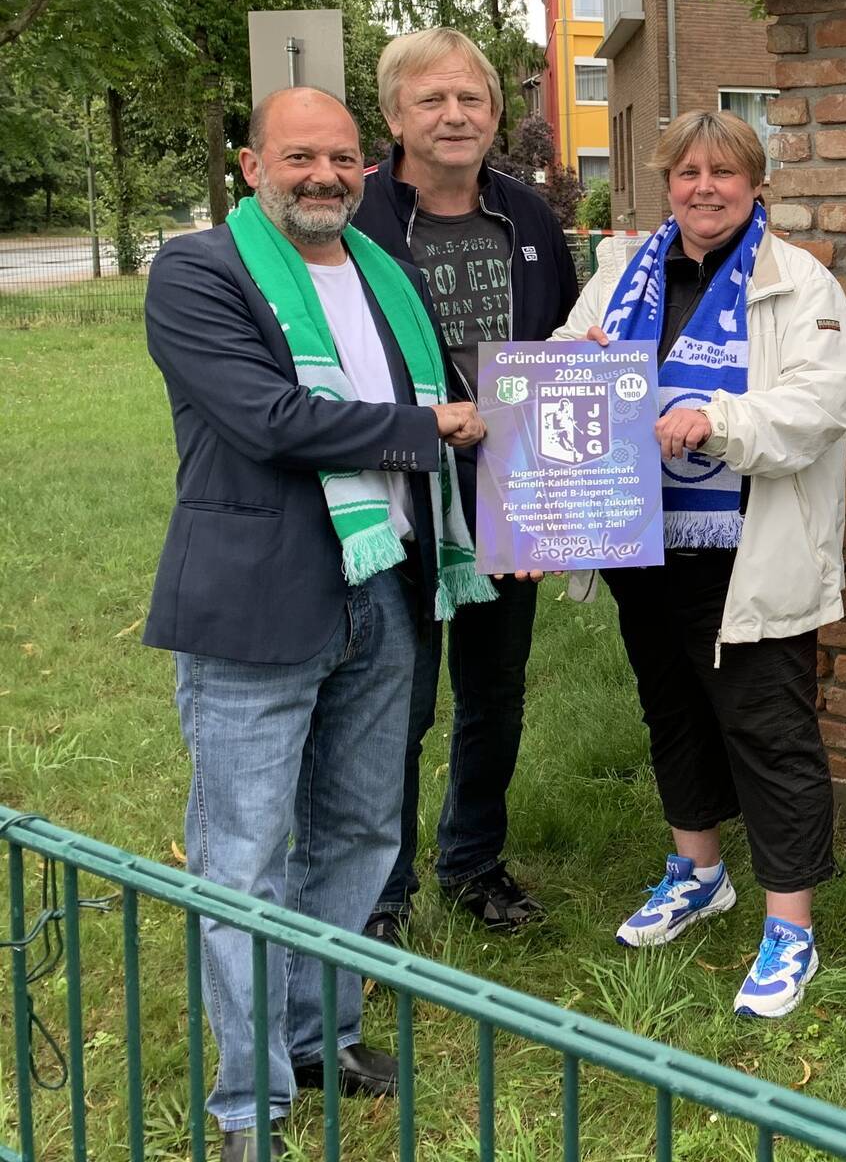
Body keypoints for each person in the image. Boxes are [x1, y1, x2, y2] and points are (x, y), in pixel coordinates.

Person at [143, 88, 490, 1161]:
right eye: (300, 158)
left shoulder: (387, 277)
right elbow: (268, 420)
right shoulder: (199, 271)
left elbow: (456, 398)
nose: (324, 177)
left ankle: (319, 1039)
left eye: (342, 158)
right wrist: (427, 428)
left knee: (356, 833)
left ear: (365, 169)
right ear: (253, 166)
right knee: (243, 854)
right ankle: (249, 1110)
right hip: (258, 599)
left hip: (382, 581)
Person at [556, 108, 846, 1018]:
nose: (704, 188)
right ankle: (698, 873)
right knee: (673, 710)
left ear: (755, 182)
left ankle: (790, 926)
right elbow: (568, 359)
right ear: (666, 183)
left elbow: (819, 404)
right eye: (687, 172)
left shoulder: (796, 281)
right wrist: (582, 360)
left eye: (724, 172)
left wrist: (718, 422)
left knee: (769, 729)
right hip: (640, 538)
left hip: (747, 545)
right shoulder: (621, 272)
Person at [352, 27, 580, 940]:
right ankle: (381, 891)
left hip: (506, 493)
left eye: (472, 99)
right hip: (392, 492)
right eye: (432, 99)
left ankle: (474, 862)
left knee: (495, 692)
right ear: (394, 114)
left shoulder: (529, 219)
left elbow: (566, 355)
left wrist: (555, 511)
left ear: (496, 114)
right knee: (392, 702)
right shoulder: (357, 217)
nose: (455, 116)